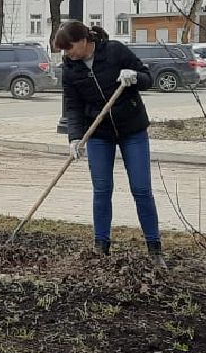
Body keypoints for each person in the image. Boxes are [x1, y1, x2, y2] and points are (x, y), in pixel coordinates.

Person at [54, 20, 164, 266]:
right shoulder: (70, 69)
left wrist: (134, 76)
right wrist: (74, 138)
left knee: (141, 189)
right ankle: (101, 248)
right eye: (63, 50)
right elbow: (73, 106)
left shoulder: (114, 51)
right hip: (99, 135)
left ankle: (155, 249)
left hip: (132, 130)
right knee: (102, 190)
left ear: (83, 41)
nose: (67, 53)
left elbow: (148, 77)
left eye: (69, 47)